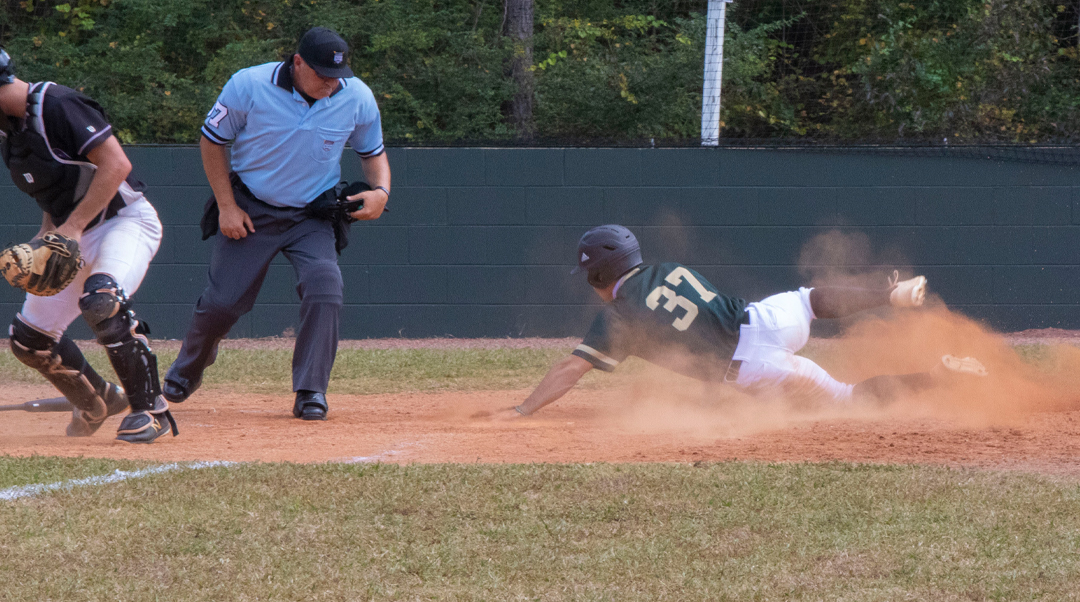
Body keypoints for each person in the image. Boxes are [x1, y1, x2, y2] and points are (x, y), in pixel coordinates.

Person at [504, 224, 987, 417]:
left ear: (602, 275)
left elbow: (572, 369)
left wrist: (521, 411)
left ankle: (938, 375)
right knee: (812, 299)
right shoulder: (669, 270)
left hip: (750, 363)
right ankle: (890, 293)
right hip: (767, 318)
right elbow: (698, 324)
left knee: (845, 397)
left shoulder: (620, 316)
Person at [162, 27, 391, 421]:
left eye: (337, 75)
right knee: (222, 304)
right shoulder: (249, 84)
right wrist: (227, 206)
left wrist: (381, 192)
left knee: (325, 287)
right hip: (252, 207)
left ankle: (310, 390)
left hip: (312, 215)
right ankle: (188, 368)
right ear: (297, 62)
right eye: (321, 74)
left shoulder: (357, 96)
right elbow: (212, 141)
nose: (330, 83)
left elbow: (374, 153)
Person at [0, 48, 175, 443]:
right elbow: (52, 195)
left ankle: (150, 410)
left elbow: (117, 166)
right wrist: (44, 242)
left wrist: (72, 229)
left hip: (123, 222)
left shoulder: (57, 104)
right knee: (30, 341)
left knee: (102, 301)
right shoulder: (10, 133)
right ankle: (98, 400)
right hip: (74, 232)